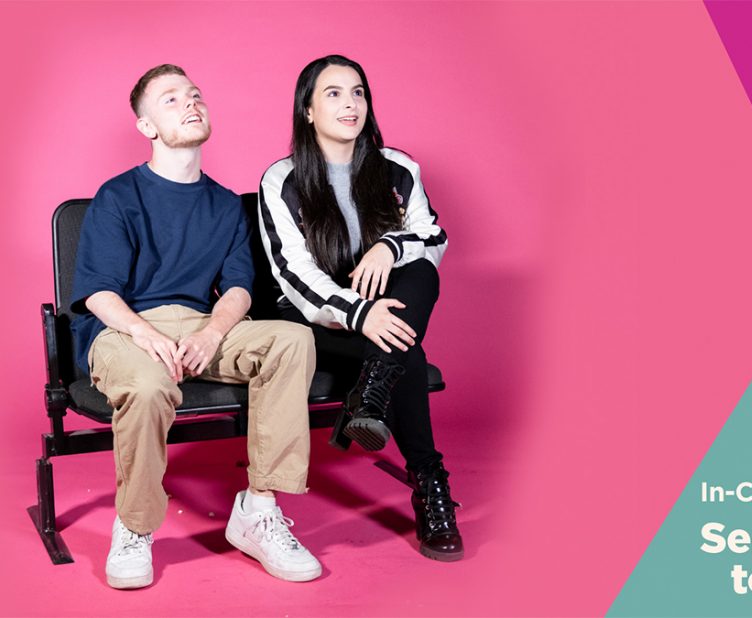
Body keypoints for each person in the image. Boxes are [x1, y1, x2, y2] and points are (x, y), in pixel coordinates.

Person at [71, 64, 322, 588]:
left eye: (194, 95)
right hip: (127, 329)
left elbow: (237, 288)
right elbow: (99, 293)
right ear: (146, 127)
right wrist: (149, 336)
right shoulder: (118, 196)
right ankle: (135, 526)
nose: (190, 103)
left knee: (292, 338)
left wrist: (211, 334)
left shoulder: (227, 204)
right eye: (170, 100)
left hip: (205, 323)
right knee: (145, 384)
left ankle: (258, 508)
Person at [258, 55, 463, 561]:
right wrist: (358, 313)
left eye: (358, 93)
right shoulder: (281, 180)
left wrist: (387, 246)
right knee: (402, 347)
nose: (350, 104)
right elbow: (295, 278)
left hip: (384, 304)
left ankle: (369, 397)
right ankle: (429, 482)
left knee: (420, 271)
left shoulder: (398, 167)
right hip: (315, 318)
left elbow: (431, 235)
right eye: (333, 94)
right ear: (307, 110)